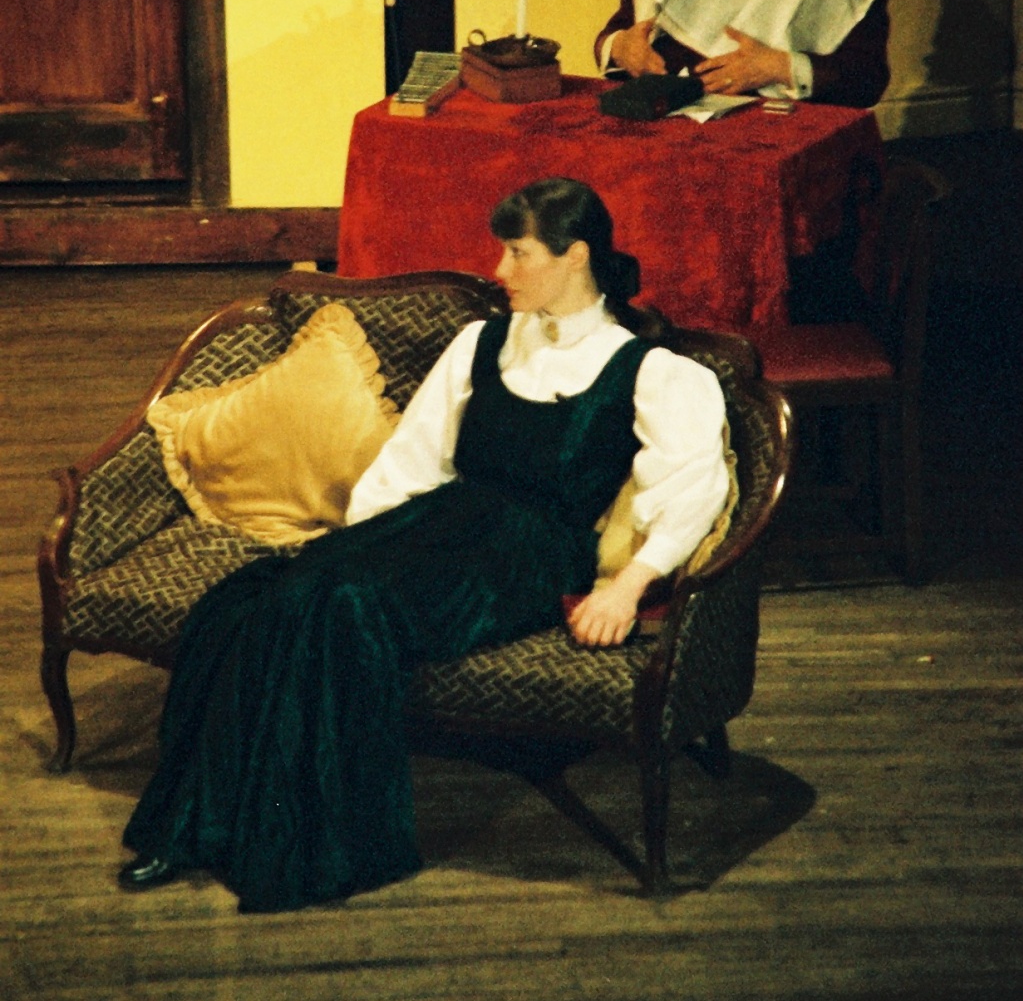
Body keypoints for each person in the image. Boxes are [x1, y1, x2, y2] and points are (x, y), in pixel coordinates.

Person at [117, 177, 730, 913]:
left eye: (518, 252)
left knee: (341, 609)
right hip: (441, 523)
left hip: (529, 555)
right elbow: (414, 459)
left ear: (575, 256)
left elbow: (695, 487)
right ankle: (190, 827)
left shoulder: (653, 371)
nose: (499, 270)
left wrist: (626, 587)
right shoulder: (481, 342)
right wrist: (357, 544)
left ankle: (302, 844)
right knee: (252, 597)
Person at [595, 0, 891, 109]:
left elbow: (867, 77)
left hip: (771, 129)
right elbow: (617, 31)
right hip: (664, 117)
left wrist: (781, 67)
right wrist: (620, 46)